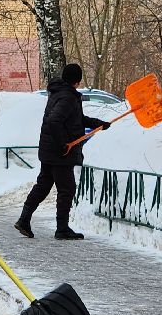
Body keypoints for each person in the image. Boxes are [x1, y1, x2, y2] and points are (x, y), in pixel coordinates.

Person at [15, 63, 108, 241]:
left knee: (43, 186)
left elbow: (75, 119)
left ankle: (24, 219)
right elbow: (54, 121)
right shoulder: (67, 97)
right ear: (77, 80)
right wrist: (62, 145)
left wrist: (98, 123)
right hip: (60, 153)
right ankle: (62, 228)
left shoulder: (59, 93)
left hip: (50, 150)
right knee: (67, 189)